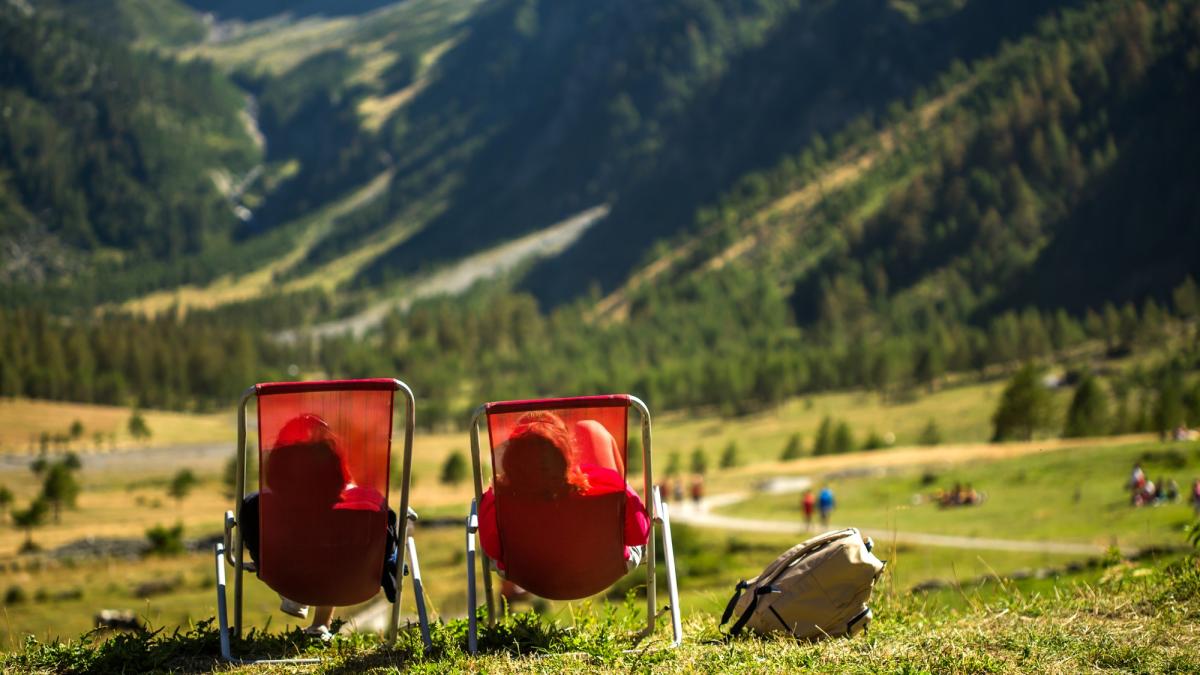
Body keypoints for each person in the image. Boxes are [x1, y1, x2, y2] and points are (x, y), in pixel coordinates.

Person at [240, 414, 391, 639]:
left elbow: (257, 548)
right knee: (333, 554)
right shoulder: (365, 508)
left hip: (285, 578)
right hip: (353, 583)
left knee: (317, 549)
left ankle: (297, 600)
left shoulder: (258, 507)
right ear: (340, 471)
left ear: (276, 473)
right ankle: (321, 624)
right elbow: (387, 550)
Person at [478, 412, 650, 574]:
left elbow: (491, 548)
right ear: (567, 451)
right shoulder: (604, 483)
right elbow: (639, 535)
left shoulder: (501, 499)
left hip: (526, 574)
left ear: (512, 457)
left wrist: (497, 489)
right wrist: (622, 485)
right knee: (591, 429)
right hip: (604, 569)